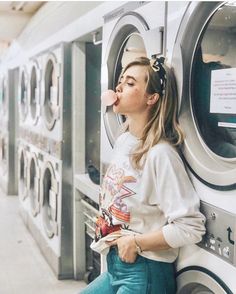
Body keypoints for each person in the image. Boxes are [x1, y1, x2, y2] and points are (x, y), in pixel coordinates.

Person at [80, 56, 206, 294]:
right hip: (117, 266)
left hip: (145, 270)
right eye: (120, 82)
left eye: (129, 83)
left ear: (152, 98)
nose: (118, 88)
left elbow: (191, 226)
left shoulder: (161, 155)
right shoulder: (124, 141)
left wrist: (135, 242)